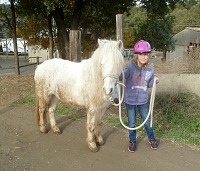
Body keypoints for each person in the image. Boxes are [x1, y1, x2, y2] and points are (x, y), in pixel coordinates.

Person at [123, 40, 159, 153]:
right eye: (141, 54)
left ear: (148, 55)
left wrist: (154, 81)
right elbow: (122, 77)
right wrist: (115, 73)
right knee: (132, 122)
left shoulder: (150, 69)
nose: (143, 57)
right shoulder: (130, 67)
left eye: (146, 54)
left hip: (143, 99)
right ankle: (132, 140)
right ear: (136, 55)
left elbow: (148, 84)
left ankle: (151, 138)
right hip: (130, 100)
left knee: (147, 121)